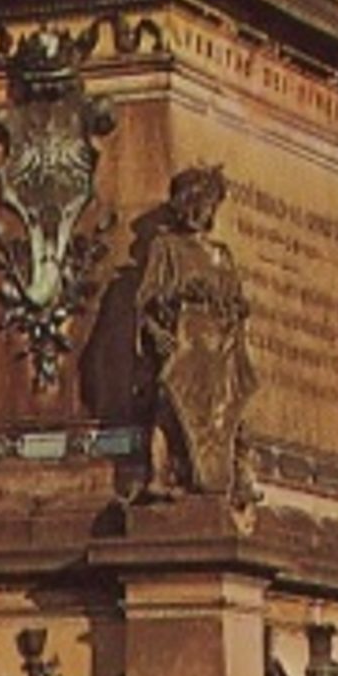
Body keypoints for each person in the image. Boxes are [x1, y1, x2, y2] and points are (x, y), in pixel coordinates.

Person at [136, 164, 257, 498]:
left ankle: (240, 472)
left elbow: (236, 299)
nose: (205, 210)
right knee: (169, 404)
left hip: (220, 349)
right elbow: (146, 298)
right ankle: (158, 474)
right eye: (201, 203)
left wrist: (236, 312)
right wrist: (156, 329)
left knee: (233, 408)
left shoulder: (221, 254)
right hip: (185, 343)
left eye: (209, 204)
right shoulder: (166, 247)